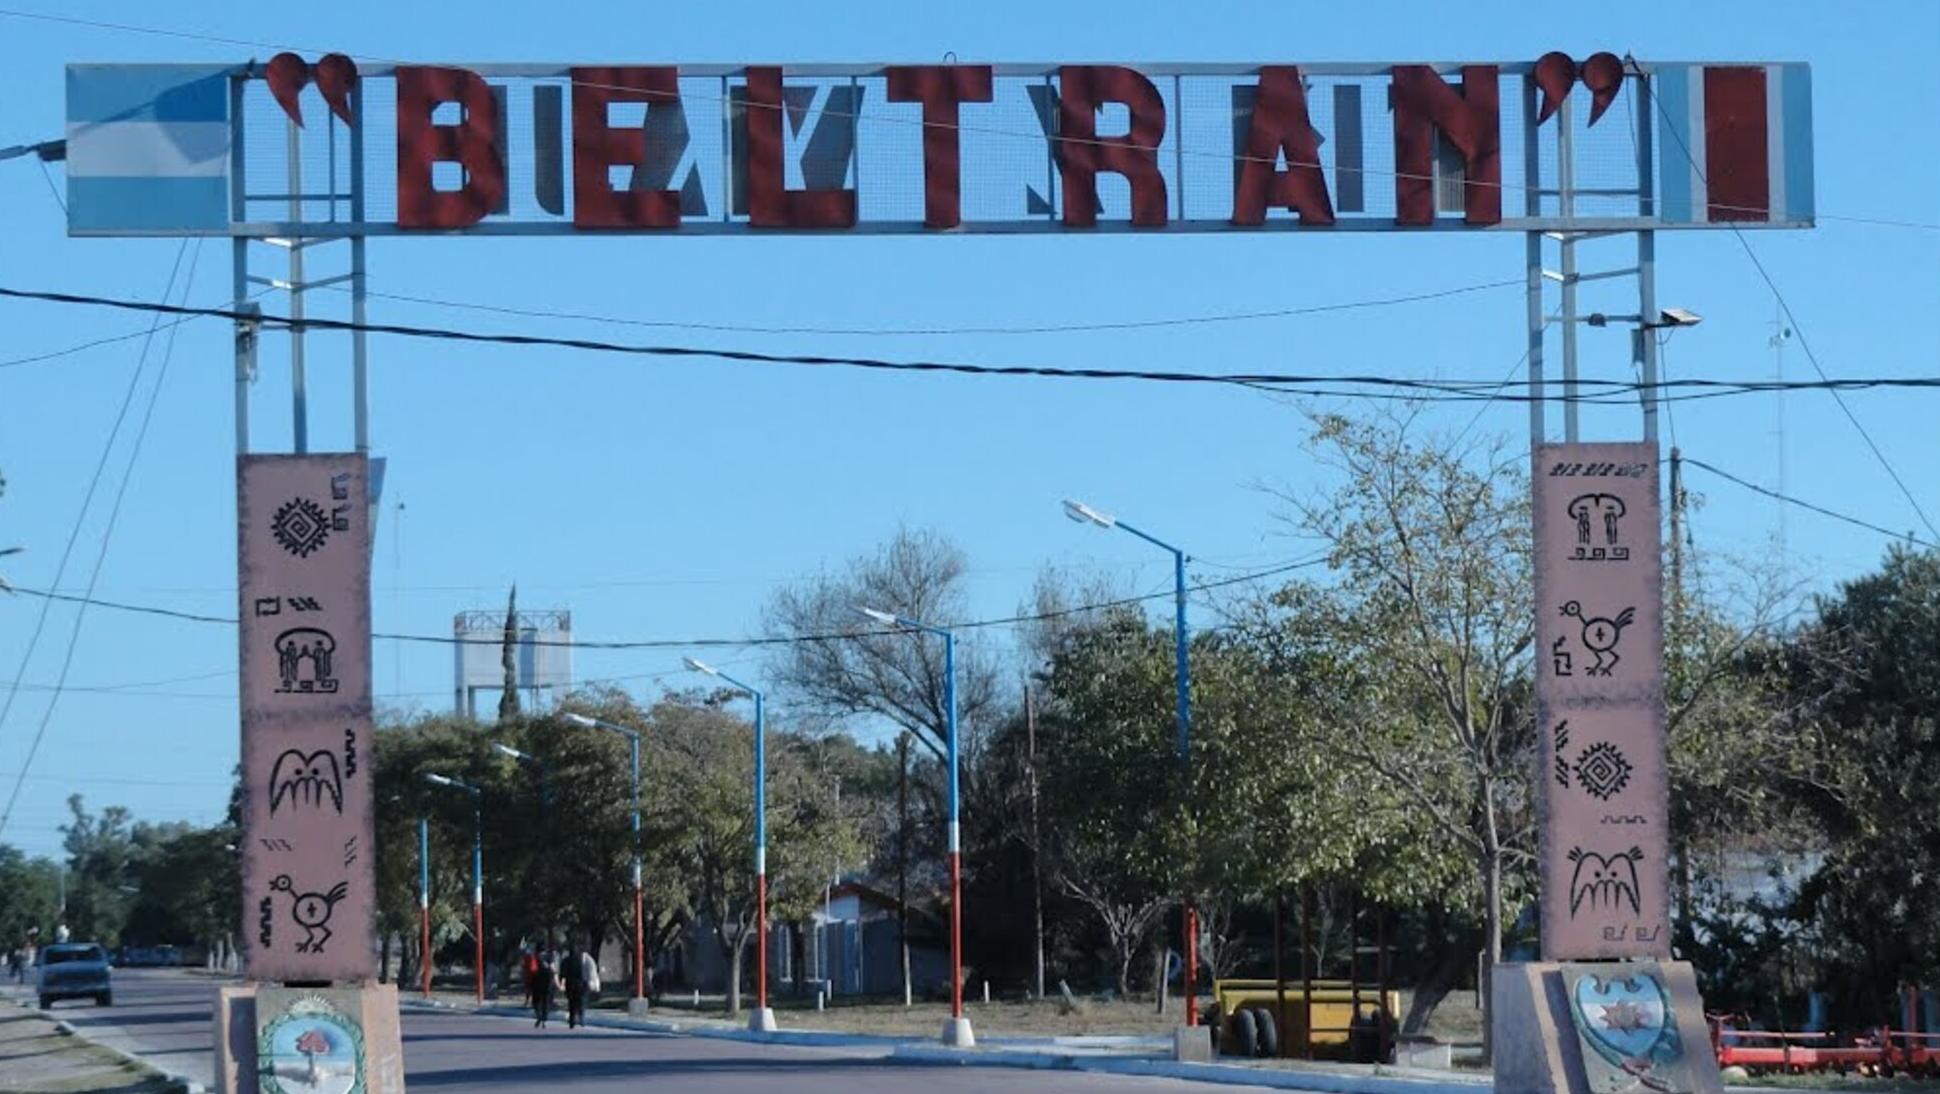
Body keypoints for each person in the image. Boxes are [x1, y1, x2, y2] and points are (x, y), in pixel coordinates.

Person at [560, 940, 599, 1030]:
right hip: (581, 984)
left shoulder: (566, 960)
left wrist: (562, 983)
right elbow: (588, 971)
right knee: (581, 1001)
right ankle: (581, 1018)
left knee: (572, 1003)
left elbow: (562, 974)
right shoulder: (583, 959)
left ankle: (572, 1020)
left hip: (570, 984)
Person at [531, 945, 558, 1029]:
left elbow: (532, 970)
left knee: (536, 1001)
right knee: (546, 1001)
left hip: (537, 983)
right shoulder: (550, 958)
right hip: (548, 983)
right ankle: (544, 1020)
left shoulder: (535, 958)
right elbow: (554, 971)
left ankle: (539, 1016)